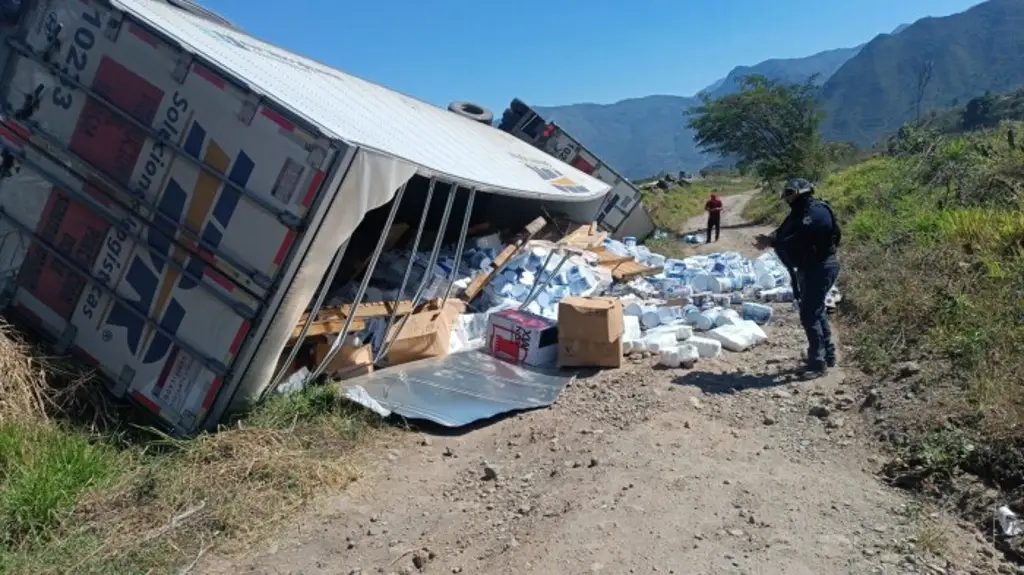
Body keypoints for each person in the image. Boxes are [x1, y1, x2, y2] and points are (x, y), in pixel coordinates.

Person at [754, 178, 841, 379]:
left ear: (802, 192)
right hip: (809, 267)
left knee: (810, 314)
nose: (786, 198)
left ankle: (817, 362)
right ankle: (827, 355)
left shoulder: (816, 212)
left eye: (789, 193)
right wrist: (772, 239)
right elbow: (784, 232)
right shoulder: (798, 213)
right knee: (816, 310)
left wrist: (775, 241)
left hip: (819, 267)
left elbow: (802, 236)